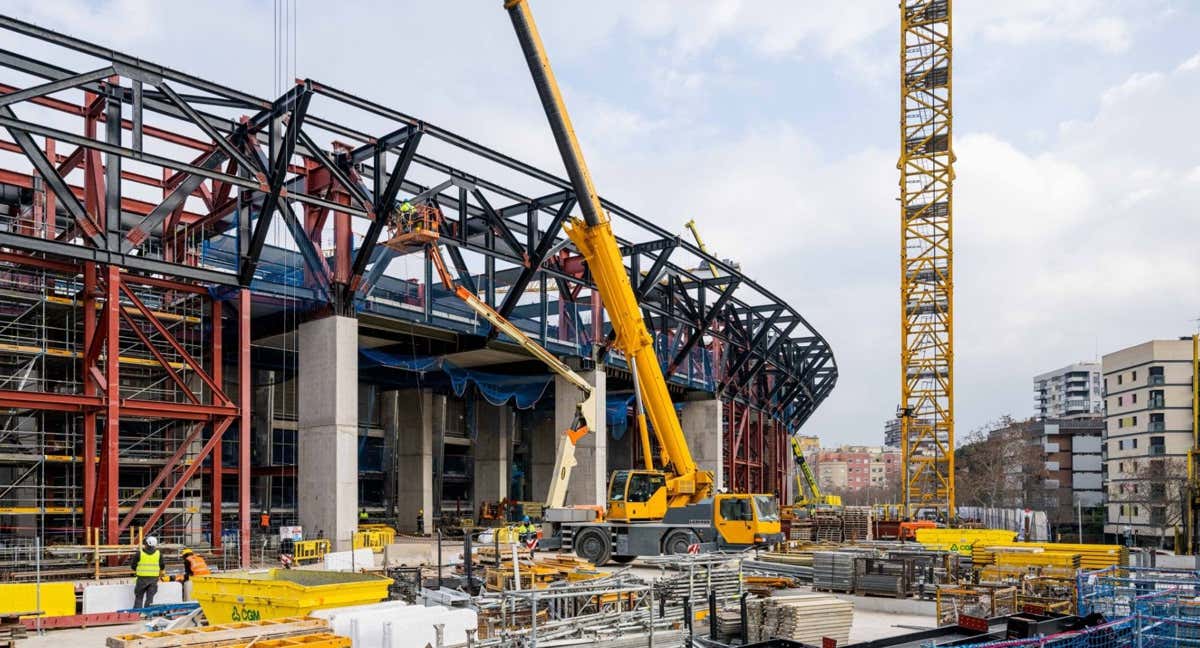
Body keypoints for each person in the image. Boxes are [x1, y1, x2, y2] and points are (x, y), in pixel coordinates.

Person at [130, 536, 165, 609]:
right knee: (150, 598)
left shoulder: (139, 554)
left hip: (141, 579)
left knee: (139, 597)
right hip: (153, 579)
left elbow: (133, 566)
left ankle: (137, 614)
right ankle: (148, 614)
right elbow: (162, 566)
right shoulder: (158, 554)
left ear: (146, 543)